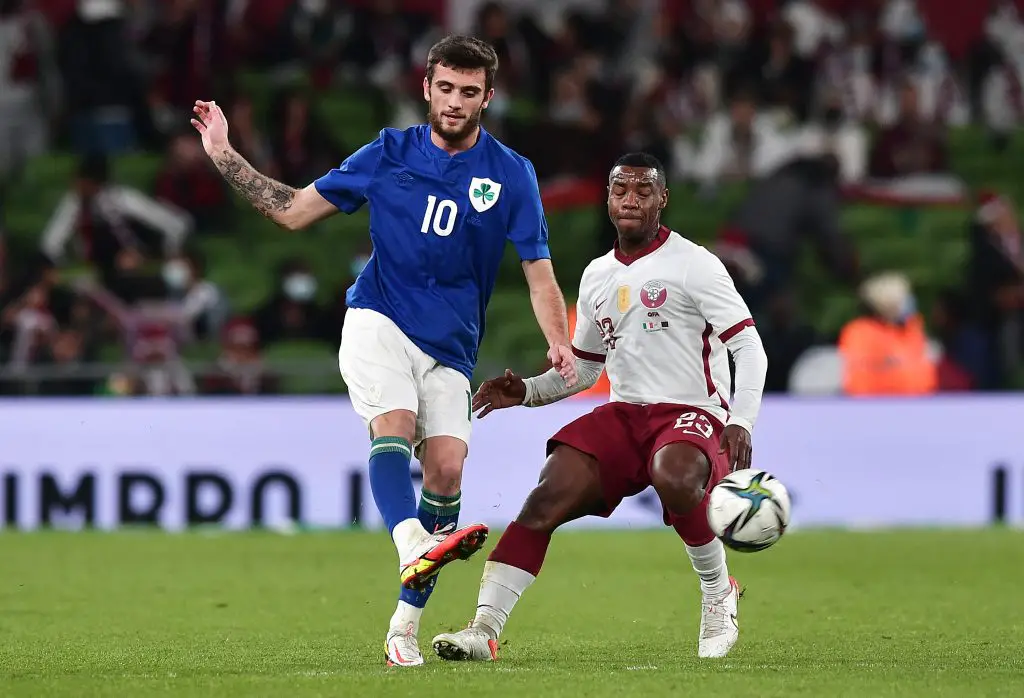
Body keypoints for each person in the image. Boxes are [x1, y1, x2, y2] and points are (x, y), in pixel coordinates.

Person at [191, 35, 577, 667]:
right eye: (446, 88)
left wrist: (558, 339)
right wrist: (222, 151)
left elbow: (538, 272)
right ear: (426, 86)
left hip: (452, 345)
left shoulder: (512, 174)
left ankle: (403, 626)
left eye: (469, 92)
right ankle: (410, 546)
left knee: (447, 471)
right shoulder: (387, 153)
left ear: (488, 97)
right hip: (380, 318)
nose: (455, 102)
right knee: (392, 427)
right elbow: (290, 212)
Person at [432, 153, 768, 662]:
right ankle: (484, 629)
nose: (631, 200)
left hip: (692, 410)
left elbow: (750, 348)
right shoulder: (596, 276)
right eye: (620, 191)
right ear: (608, 200)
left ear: (662, 199)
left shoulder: (695, 264)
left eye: (642, 191)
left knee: (675, 475)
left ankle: (718, 591)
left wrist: (740, 420)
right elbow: (587, 370)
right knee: (545, 498)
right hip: (625, 413)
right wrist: (524, 391)